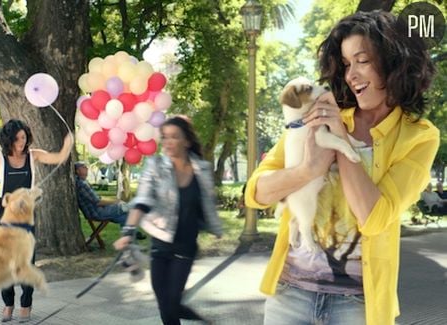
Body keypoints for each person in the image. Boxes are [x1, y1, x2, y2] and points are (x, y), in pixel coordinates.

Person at [245, 11, 439, 325]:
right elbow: (255, 192)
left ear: (395, 61)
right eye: (347, 64)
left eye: (362, 60)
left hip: (357, 305)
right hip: (289, 294)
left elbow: (374, 218)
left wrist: (339, 137)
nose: (351, 75)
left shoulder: (419, 136)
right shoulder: (321, 111)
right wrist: (307, 170)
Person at [114, 116, 223, 325]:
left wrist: (215, 227)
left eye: (174, 137)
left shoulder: (202, 169)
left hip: (185, 246)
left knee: (171, 303)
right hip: (160, 245)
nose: (168, 142)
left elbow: (207, 202)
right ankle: (203, 320)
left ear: (187, 141)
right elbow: (142, 200)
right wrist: (128, 232)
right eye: (165, 137)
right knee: (165, 305)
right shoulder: (155, 165)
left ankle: (202, 320)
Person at [0, 119, 73, 323]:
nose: (21, 142)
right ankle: (8, 304)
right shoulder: (0, 158)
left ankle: (26, 304)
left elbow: (59, 157)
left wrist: (67, 144)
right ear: (8, 140)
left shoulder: (34, 156)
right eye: (17, 139)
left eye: (24, 137)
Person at [75, 161, 145, 240]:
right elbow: (98, 202)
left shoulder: (82, 182)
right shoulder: (82, 184)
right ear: (78, 171)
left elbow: (98, 199)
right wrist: (116, 201)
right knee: (125, 208)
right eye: (83, 167)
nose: (87, 168)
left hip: (98, 210)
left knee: (126, 217)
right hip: (97, 212)